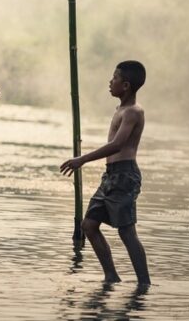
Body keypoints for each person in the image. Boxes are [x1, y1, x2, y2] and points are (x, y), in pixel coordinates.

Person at [60, 60, 150, 288]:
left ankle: (144, 283)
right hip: (110, 177)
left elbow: (118, 144)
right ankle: (111, 275)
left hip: (124, 177)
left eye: (115, 78)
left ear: (126, 85)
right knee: (89, 225)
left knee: (127, 232)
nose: (110, 82)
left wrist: (82, 159)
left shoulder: (133, 112)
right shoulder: (120, 109)